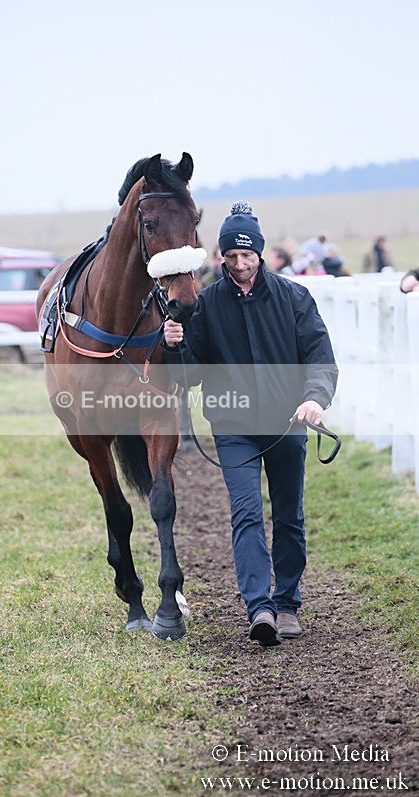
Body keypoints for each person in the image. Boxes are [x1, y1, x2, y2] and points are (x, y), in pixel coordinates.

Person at [162, 201, 338, 647]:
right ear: (220, 256)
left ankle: (287, 603)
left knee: (289, 515)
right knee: (246, 514)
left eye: (246, 255)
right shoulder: (205, 305)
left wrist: (315, 399)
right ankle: (259, 607)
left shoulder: (294, 298)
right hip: (233, 425)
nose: (239, 264)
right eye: (231, 256)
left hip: (287, 422)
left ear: (259, 253)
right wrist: (175, 346)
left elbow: (320, 357)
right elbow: (190, 376)